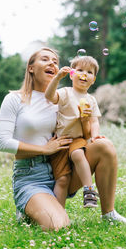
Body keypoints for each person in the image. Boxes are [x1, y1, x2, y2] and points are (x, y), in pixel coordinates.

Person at [0, 47, 126, 231]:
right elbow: (3, 142)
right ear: (30, 67)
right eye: (45, 59)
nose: (52, 63)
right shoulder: (14, 99)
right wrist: (45, 149)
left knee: (104, 145)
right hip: (32, 175)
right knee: (57, 225)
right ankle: (30, 208)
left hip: (64, 166)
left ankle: (108, 213)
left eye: (55, 61)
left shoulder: (64, 98)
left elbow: (82, 136)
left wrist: (85, 121)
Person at [45, 55, 105, 208]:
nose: (84, 74)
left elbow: (94, 121)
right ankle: (59, 214)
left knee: (78, 154)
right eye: (80, 70)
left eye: (89, 72)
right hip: (60, 141)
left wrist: (95, 135)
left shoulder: (91, 99)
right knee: (62, 180)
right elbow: (49, 96)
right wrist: (57, 77)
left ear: (94, 80)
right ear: (72, 74)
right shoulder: (65, 92)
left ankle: (89, 191)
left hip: (77, 139)